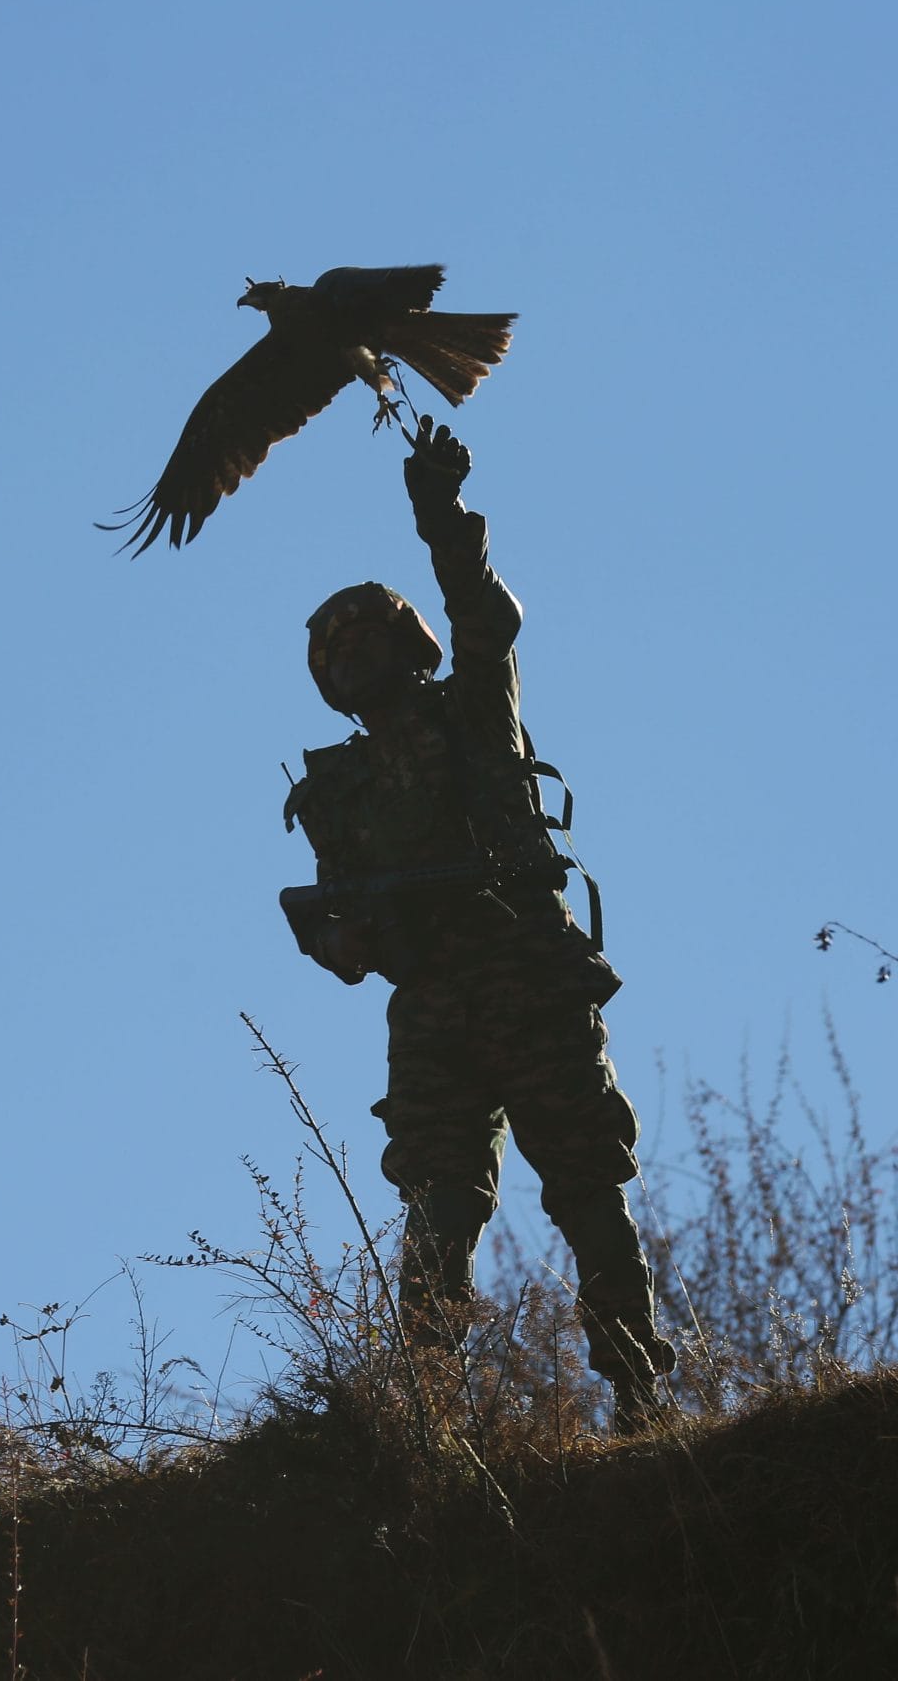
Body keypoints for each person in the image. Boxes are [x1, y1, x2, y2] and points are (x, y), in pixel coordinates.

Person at [280, 415, 676, 1432]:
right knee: (439, 1204)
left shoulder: (471, 713)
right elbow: (344, 939)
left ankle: (640, 1395)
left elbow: (482, 613)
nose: (349, 657)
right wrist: (337, 939)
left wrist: (441, 512)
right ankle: (428, 1417)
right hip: (434, 1004)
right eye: (335, 650)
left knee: (586, 1185)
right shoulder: (333, 790)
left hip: (520, 969)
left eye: (362, 636)